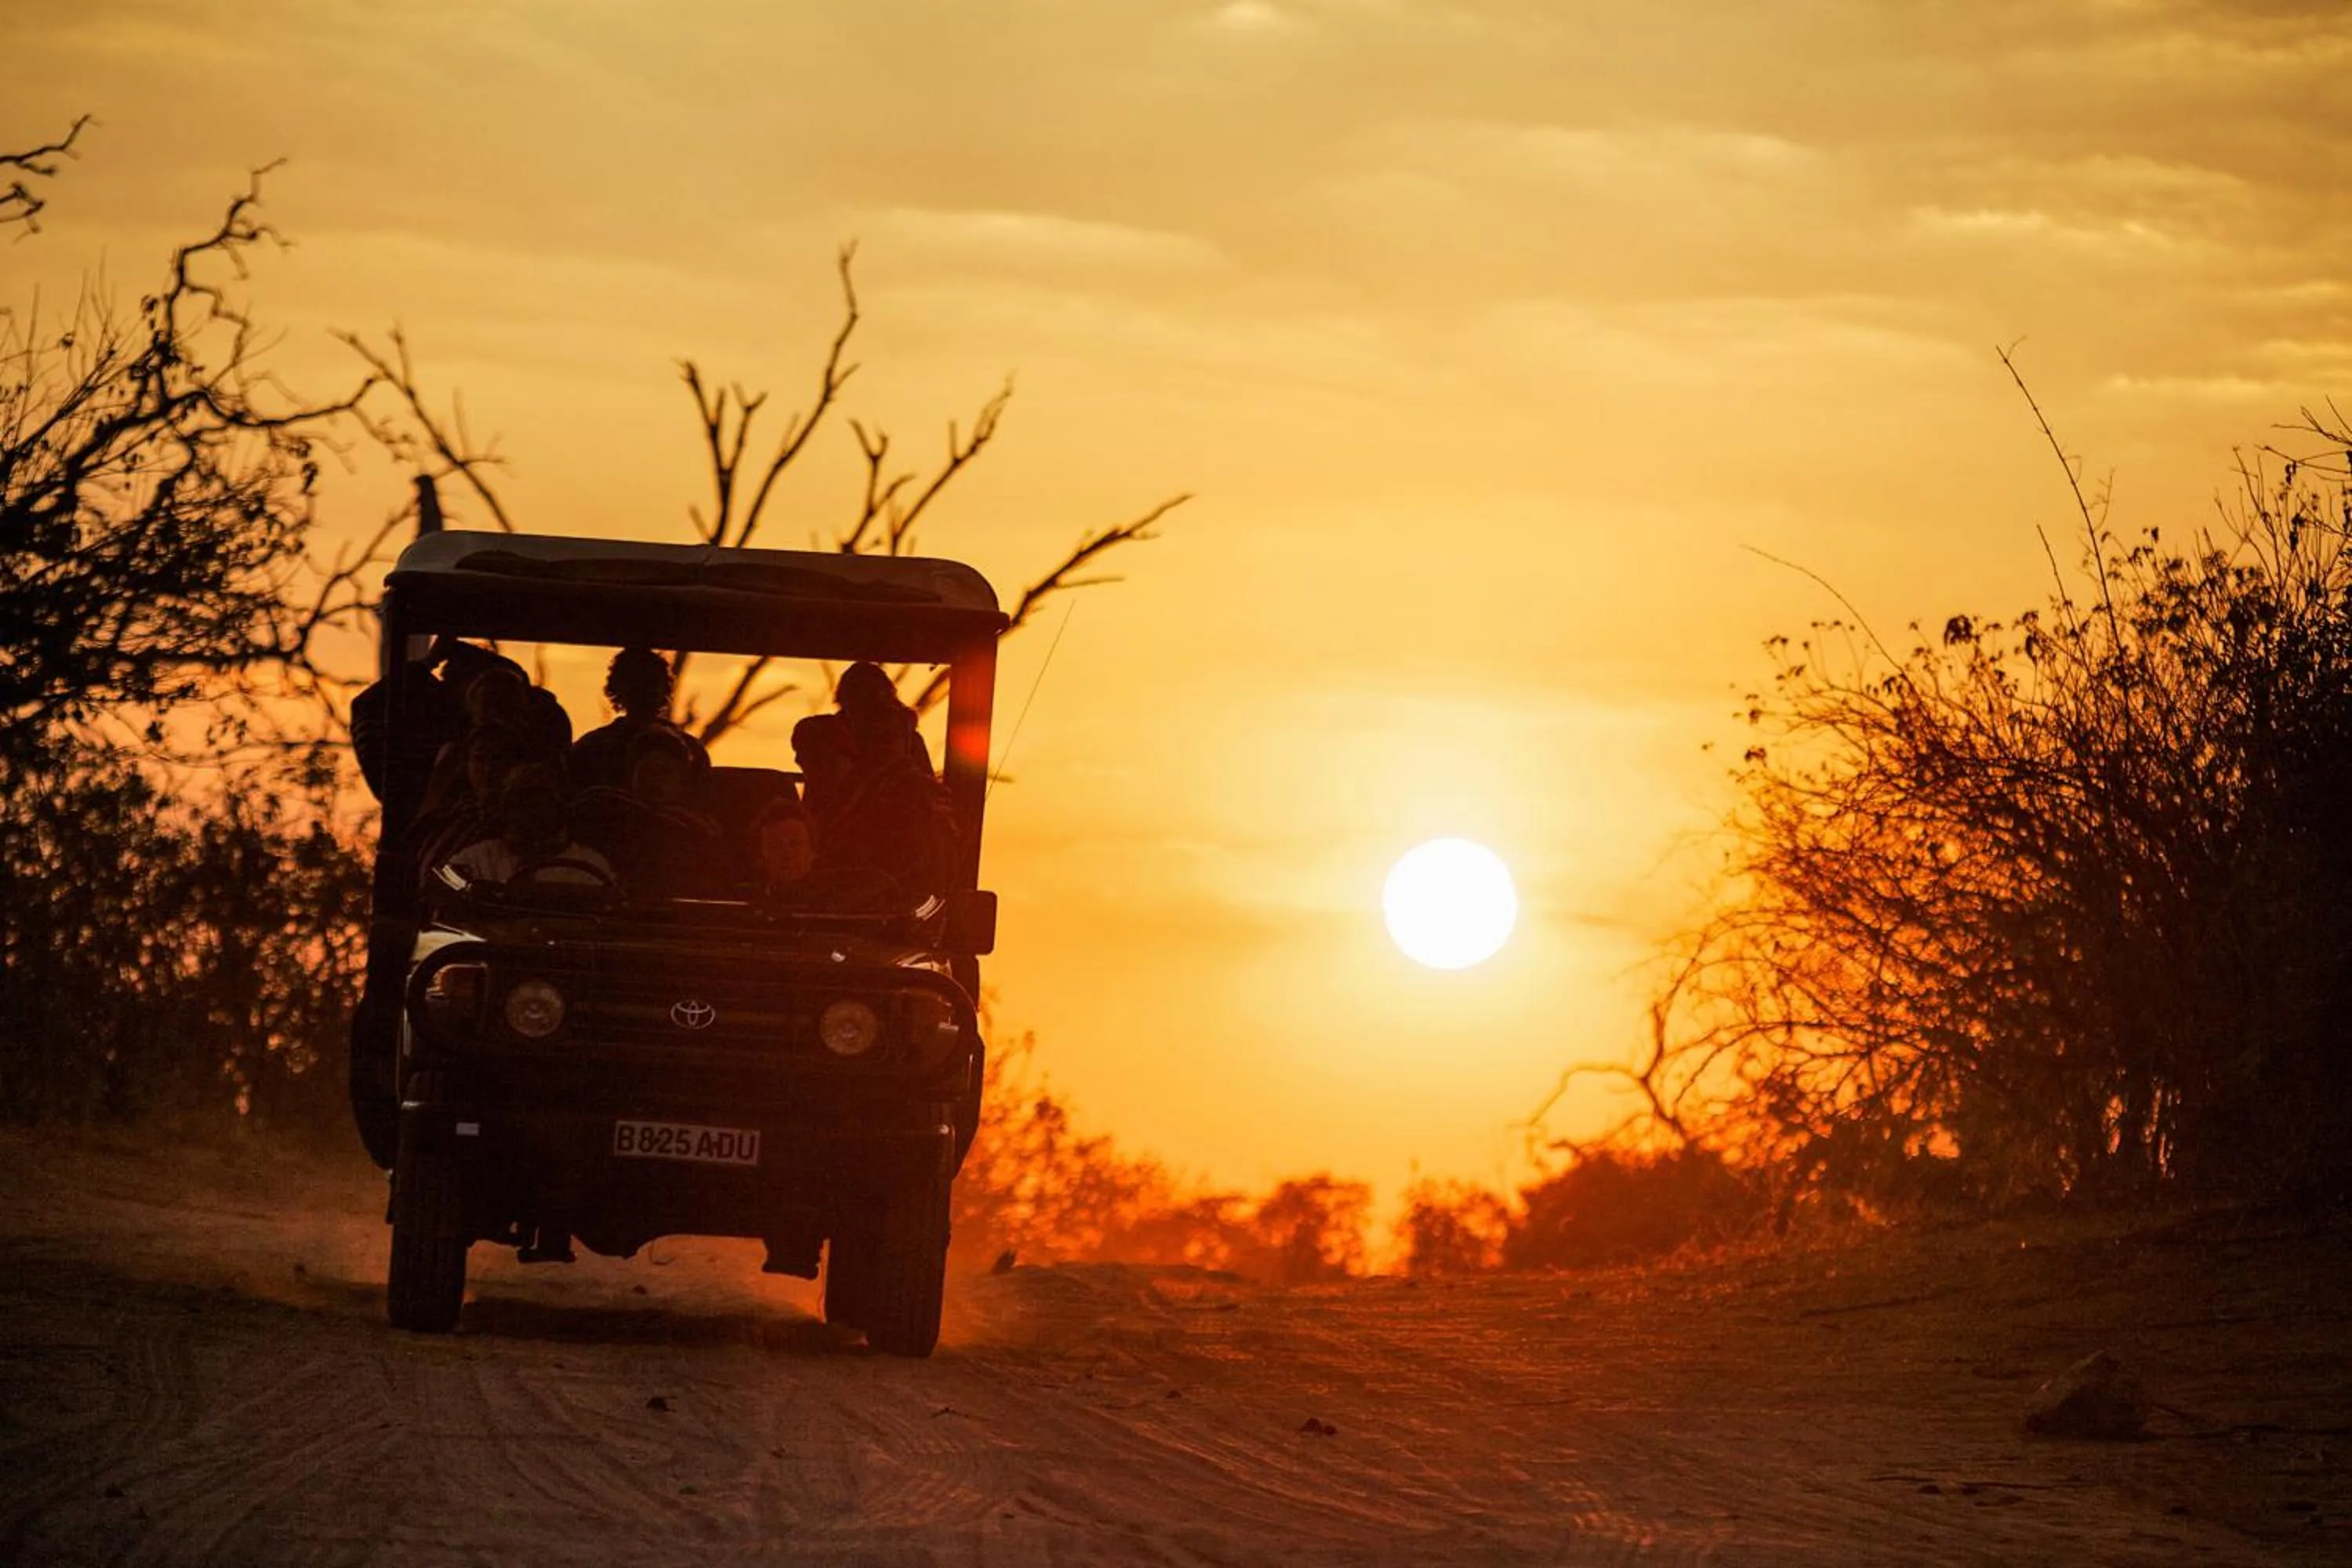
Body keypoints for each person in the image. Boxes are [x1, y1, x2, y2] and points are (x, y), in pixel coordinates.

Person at [435, 761, 615, 895]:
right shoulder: (476, 860)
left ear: (561, 807)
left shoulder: (590, 866)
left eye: (541, 802)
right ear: (505, 808)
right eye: (522, 802)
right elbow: (445, 886)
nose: (532, 812)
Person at [572, 648, 705, 790]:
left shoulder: (692, 750)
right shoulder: (593, 747)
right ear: (619, 687)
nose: (644, 690)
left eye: (651, 682)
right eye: (635, 682)